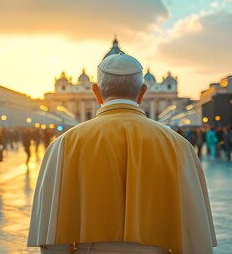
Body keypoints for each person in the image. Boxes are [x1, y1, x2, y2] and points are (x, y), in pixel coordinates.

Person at [28, 53, 217, 253]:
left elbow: (54, 241)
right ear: (142, 92)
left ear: (96, 92)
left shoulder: (65, 144)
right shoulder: (178, 145)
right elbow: (194, 237)